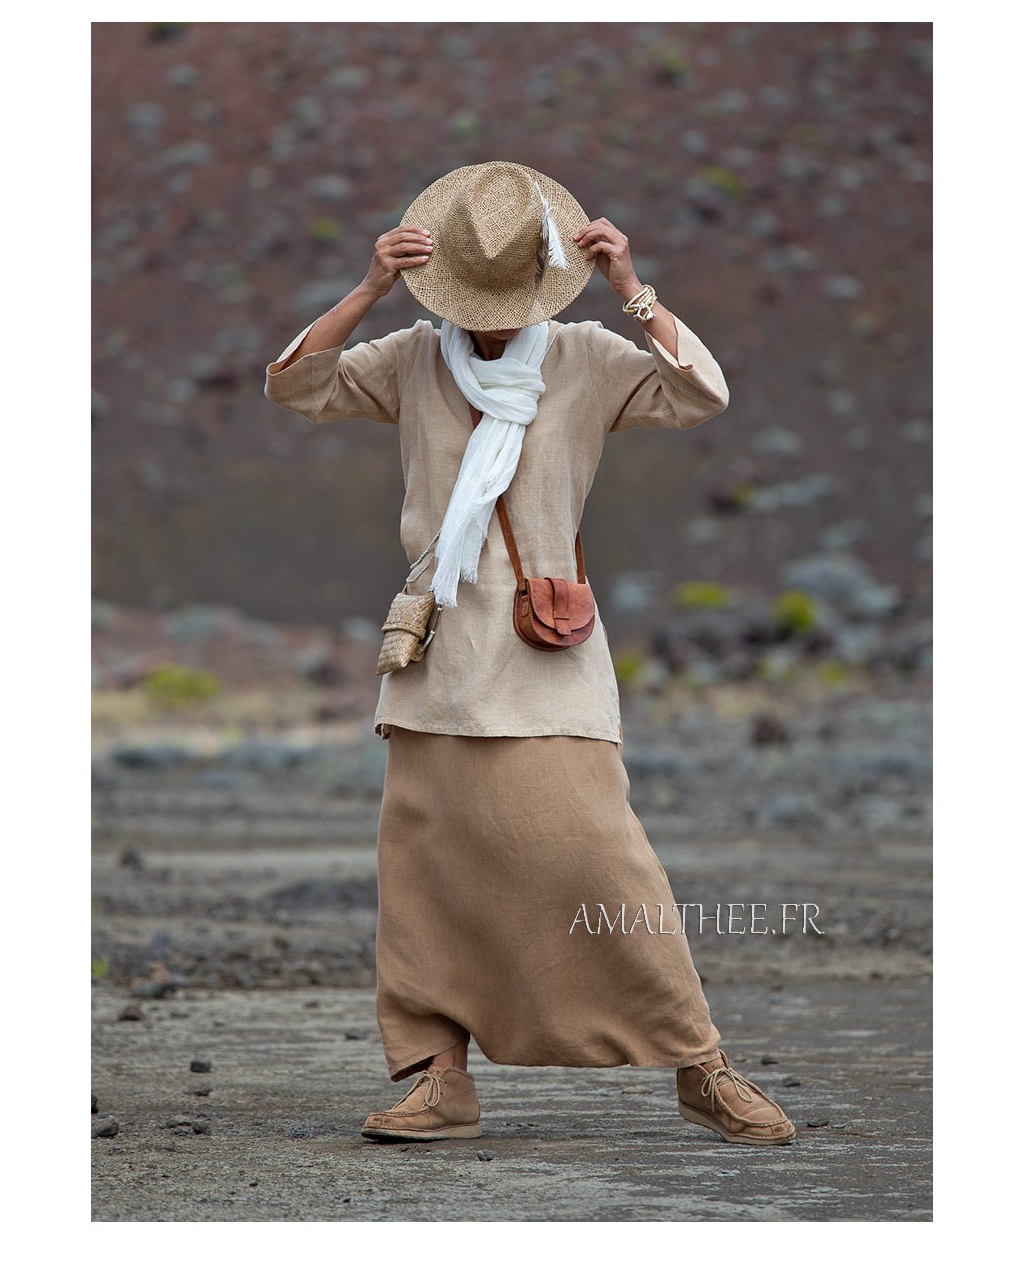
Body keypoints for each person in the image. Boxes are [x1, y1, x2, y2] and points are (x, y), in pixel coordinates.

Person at [264, 161, 796, 1147]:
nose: (492, 321)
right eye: (476, 301)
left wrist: (632, 287)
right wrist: (369, 287)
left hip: (546, 658)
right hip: (433, 662)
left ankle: (700, 1062)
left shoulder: (586, 356)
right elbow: (296, 384)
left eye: (509, 299)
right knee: (426, 876)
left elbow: (702, 393)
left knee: (604, 861)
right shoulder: (414, 356)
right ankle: (438, 1077)